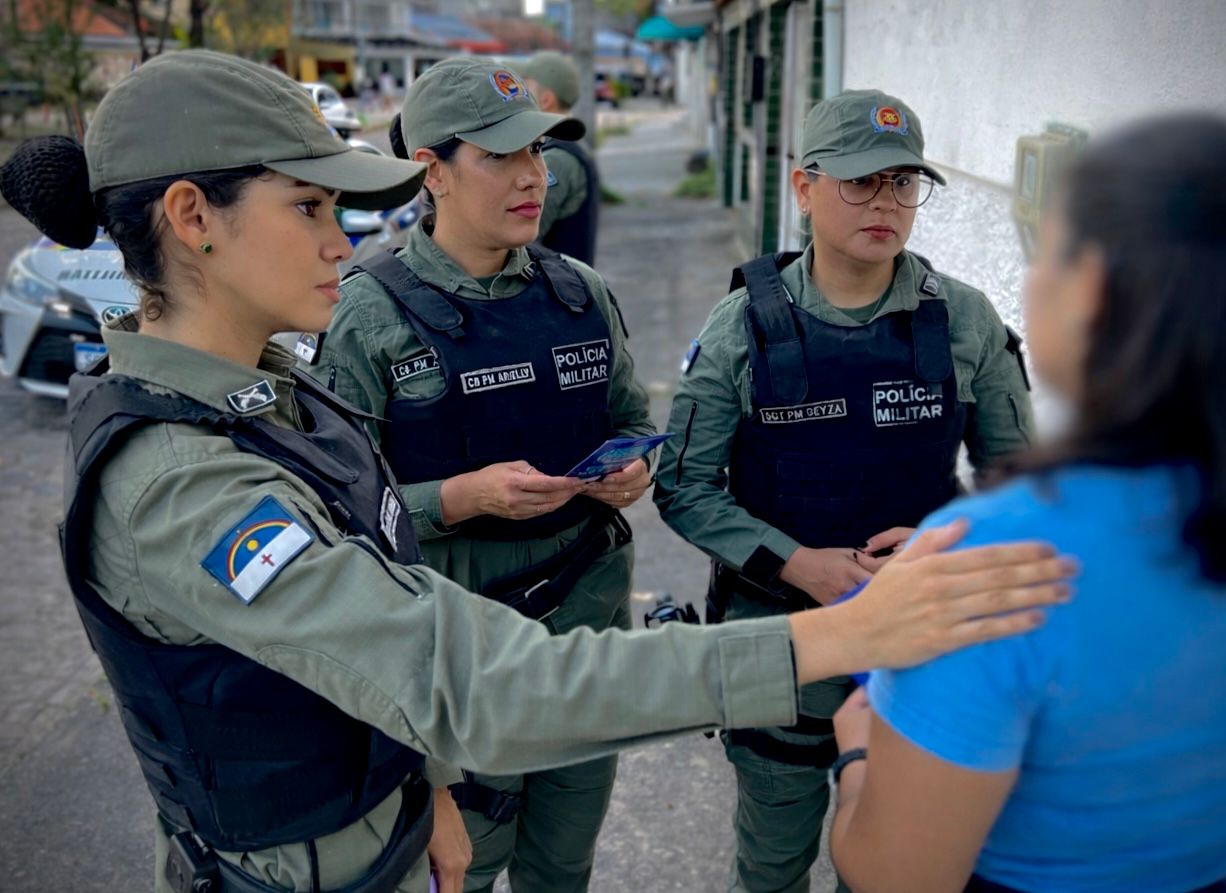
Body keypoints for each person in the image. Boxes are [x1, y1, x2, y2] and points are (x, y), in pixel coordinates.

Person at [0, 51, 1076, 893]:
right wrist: (840, 634)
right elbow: (464, 675)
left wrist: (427, 791)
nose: (343, 240)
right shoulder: (184, 479)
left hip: (403, 815)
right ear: (193, 217)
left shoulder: (284, 395)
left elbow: (385, 607)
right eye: (310, 207)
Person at [827, 114, 1226, 893]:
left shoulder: (989, 563)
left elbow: (896, 875)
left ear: (1089, 286)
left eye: (1047, 251)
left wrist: (859, 753)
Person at [653, 89, 1035, 893]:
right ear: (803, 187)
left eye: (903, 182)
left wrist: (944, 543)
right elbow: (683, 485)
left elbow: (1023, 490)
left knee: (901, 873)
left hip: (922, 647)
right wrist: (802, 565)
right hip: (779, 648)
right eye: (861, 182)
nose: (886, 203)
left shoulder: (964, 322)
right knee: (772, 867)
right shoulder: (742, 326)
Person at [310, 55, 645, 892]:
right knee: (467, 869)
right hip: (462, 655)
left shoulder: (581, 293)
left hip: (586, 634)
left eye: (538, 151)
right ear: (434, 171)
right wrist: (460, 498)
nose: (535, 177)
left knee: (564, 863)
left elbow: (632, 417)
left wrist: (630, 466)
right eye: (502, 156)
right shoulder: (368, 310)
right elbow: (331, 505)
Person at [517, 51, 601, 265]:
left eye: (525, 89)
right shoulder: (568, 148)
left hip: (558, 290)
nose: (516, 96)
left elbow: (521, 236)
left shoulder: (556, 159)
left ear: (546, 100)